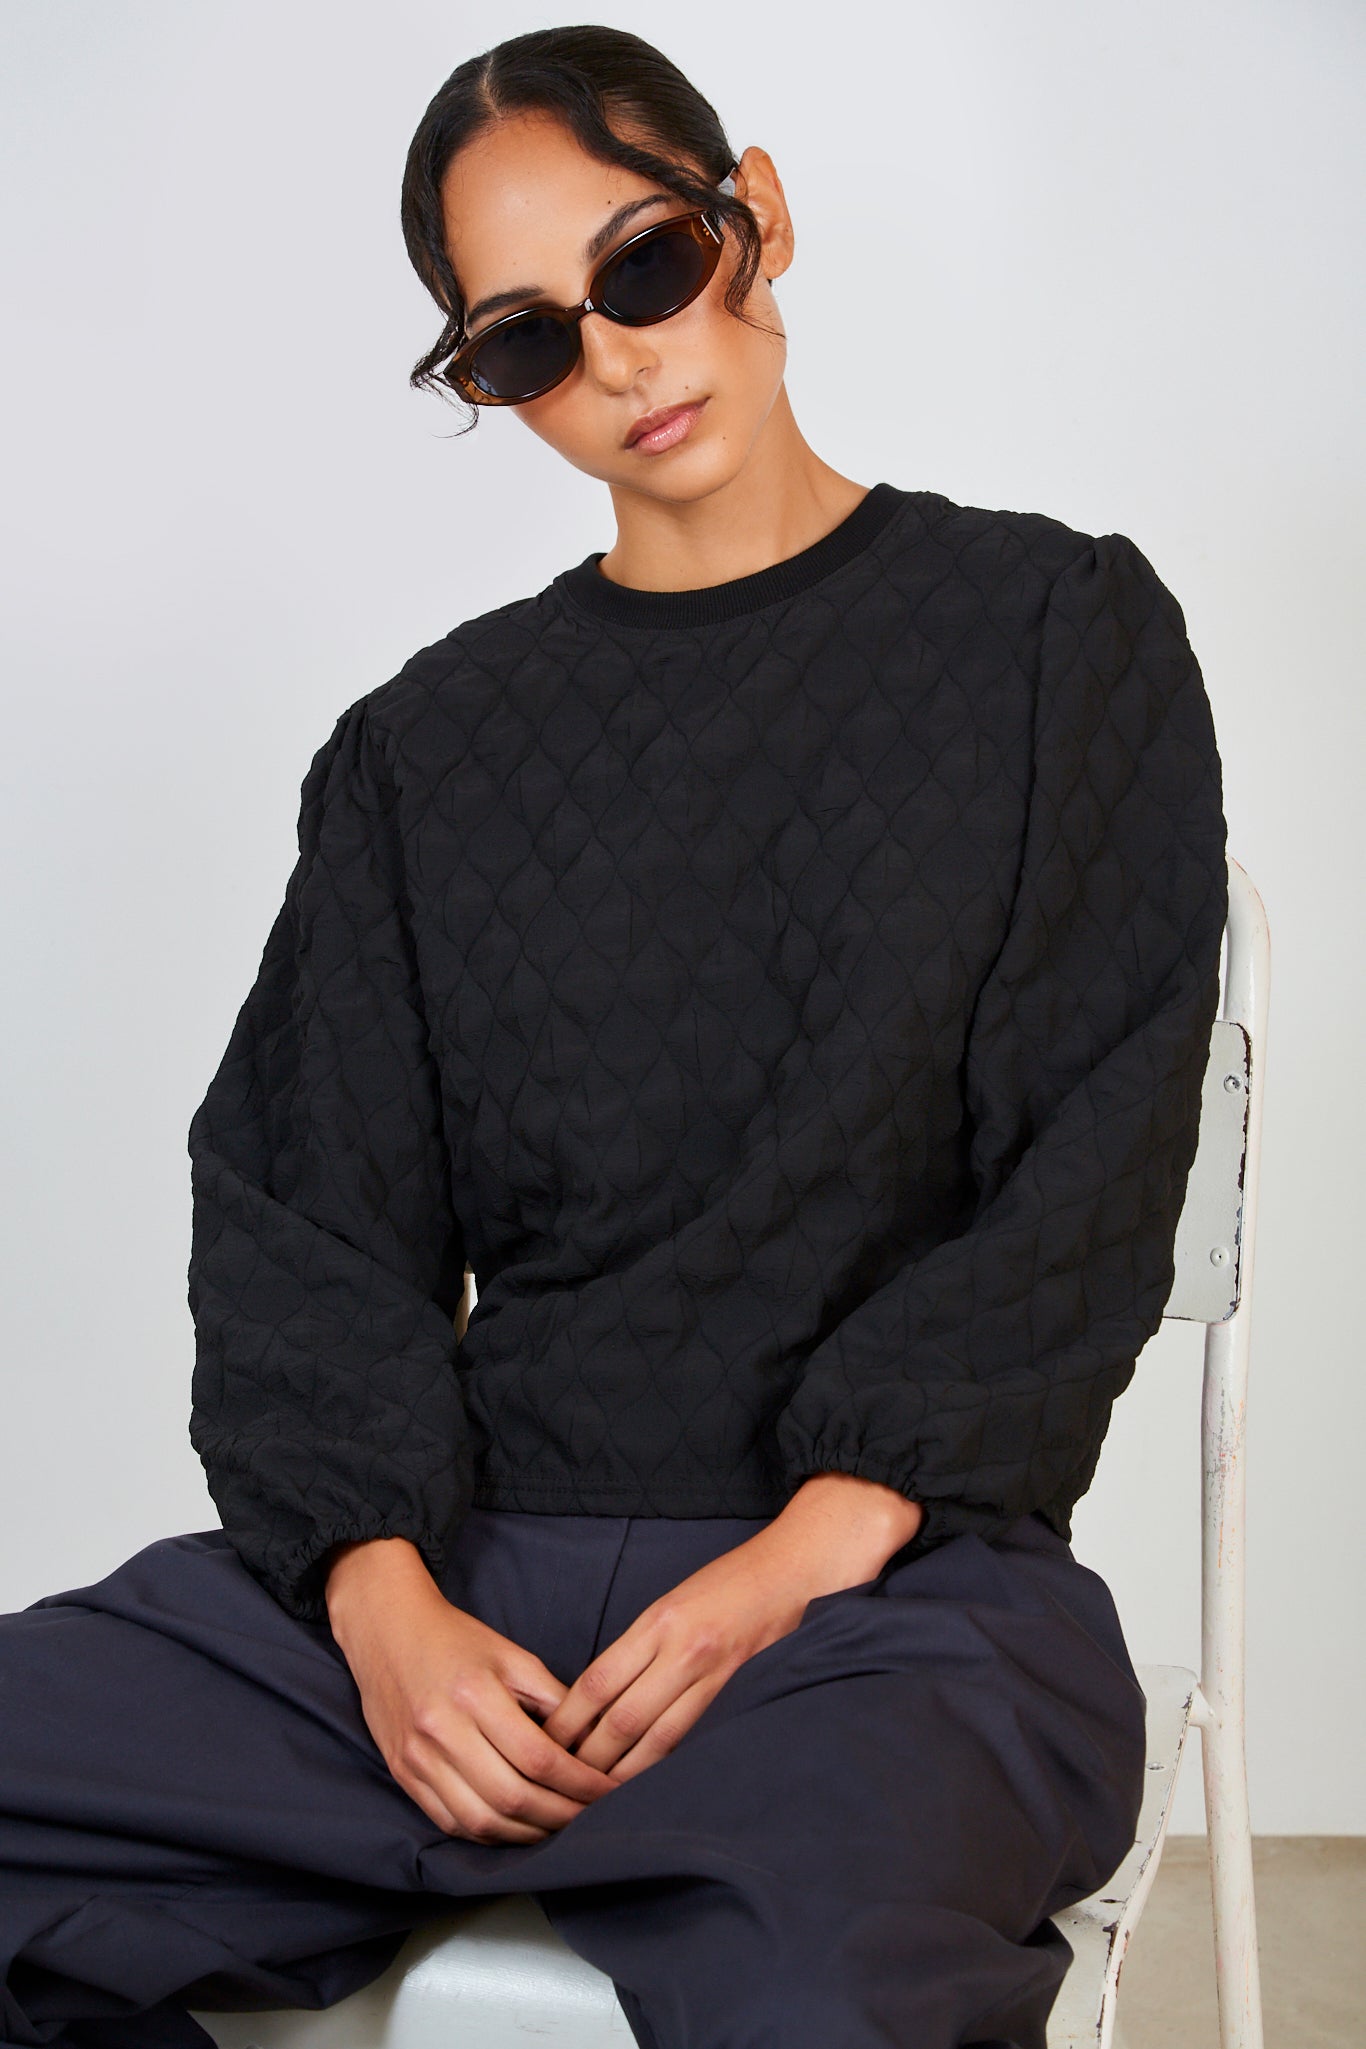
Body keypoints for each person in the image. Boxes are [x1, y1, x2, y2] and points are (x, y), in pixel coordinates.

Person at [0, 23, 1229, 2049]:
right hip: (466, 1596)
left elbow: (1083, 1171)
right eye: (524, 343)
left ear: (757, 216)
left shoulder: (1054, 639)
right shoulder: (421, 753)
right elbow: (304, 1219)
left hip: (889, 1604)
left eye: (647, 264)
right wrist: (384, 1608)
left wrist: (795, 1562)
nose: (621, 362)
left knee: (812, 1966)